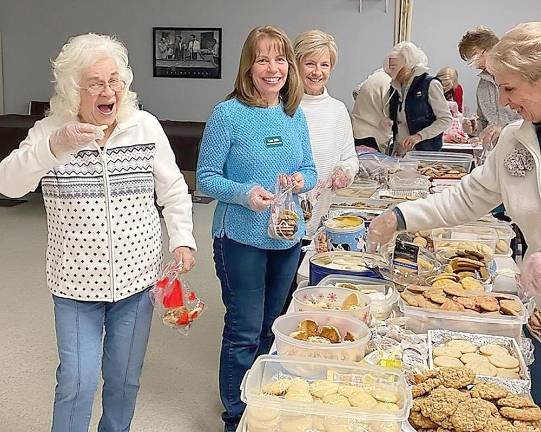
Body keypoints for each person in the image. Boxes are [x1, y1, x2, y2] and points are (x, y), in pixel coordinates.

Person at [0, 33, 196, 431]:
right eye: (96, 83)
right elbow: (8, 183)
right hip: (74, 284)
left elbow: (174, 189)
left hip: (137, 280)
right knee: (77, 380)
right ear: (74, 91)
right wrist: (53, 148)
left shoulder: (144, 128)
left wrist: (182, 238)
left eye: (115, 81)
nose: (108, 91)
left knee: (124, 380)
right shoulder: (50, 131)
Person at [367, 21, 541, 403]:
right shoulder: (516, 138)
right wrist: (398, 217)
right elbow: (467, 197)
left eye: (510, 88)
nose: (505, 101)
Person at [196, 25, 317, 432]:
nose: (272, 68)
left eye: (280, 59)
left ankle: (263, 402)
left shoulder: (292, 113)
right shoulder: (226, 114)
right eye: (262, 59)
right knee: (245, 330)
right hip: (240, 240)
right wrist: (246, 194)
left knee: (272, 326)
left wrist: (302, 180)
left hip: (286, 236)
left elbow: (310, 168)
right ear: (248, 67)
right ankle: (236, 412)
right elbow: (206, 179)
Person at [293, 29, 359, 234]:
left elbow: (350, 157)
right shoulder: (284, 107)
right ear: (296, 65)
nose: (317, 72)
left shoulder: (338, 110)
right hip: (284, 215)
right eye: (310, 64)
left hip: (322, 214)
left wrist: (345, 171)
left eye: (324, 65)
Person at [458, 25, 521, 147]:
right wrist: (474, 128)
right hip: (494, 152)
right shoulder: (483, 85)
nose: (474, 64)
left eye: (475, 55)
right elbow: (484, 121)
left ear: (492, 49)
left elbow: (533, 119)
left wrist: (505, 129)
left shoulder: (518, 76)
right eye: (470, 59)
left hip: (522, 148)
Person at [384, 41, 451, 153]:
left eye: (397, 67)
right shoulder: (394, 88)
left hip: (425, 152)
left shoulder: (430, 84)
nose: (393, 72)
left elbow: (445, 119)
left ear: (409, 65)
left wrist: (419, 136)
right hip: (400, 153)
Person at [351, 68, 393, 152]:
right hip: (375, 140)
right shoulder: (390, 82)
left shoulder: (378, 74)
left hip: (357, 133)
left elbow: (356, 92)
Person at [436, 67, 468, 143]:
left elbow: (458, 115)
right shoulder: (430, 88)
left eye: (449, 90)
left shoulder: (457, 89)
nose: (446, 93)